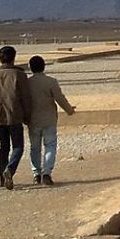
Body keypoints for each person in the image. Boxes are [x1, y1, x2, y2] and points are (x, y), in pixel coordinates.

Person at [26, 55, 76, 186]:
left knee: (34, 148)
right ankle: (47, 173)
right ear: (43, 67)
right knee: (50, 146)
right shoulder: (51, 81)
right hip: (49, 119)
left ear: (30, 67)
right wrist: (69, 110)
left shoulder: (27, 83)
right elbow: (60, 99)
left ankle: (36, 174)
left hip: (33, 120)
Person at [0, 45, 30, 189]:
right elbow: (25, 97)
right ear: (13, 58)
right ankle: (10, 169)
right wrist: (27, 116)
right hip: (15, 115)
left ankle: (1, 178)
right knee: (18, 146)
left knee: (3, 147)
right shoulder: (19, 74)